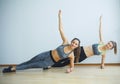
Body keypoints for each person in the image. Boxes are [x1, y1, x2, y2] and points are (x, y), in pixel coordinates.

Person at [2, 10, 80, 73]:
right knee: (30, 61)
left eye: (76, 44)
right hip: (47, 54)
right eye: (73, 42)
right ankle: (16, 67)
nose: (74, 44)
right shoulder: (65, 42)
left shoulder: (71, 55)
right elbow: (61, 29)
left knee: (31, 65)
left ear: (77, 46)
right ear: (71, 41)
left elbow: (72, 66)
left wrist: (70, 70)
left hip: (49, 62)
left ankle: (13, 69)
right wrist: (59, 17)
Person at [50, 15, 117, 69]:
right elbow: (100, 32)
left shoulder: (104, 53)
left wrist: (102, 65)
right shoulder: (101, 42)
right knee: (64, 56)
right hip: (80, 49)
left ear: (110, 48)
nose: (108, 45)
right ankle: (49, 62)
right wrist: (100, 22)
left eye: (110, 45)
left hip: (83, 56)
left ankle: (50, 66)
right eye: (109, 43)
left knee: (66, 62)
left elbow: (102, 62)